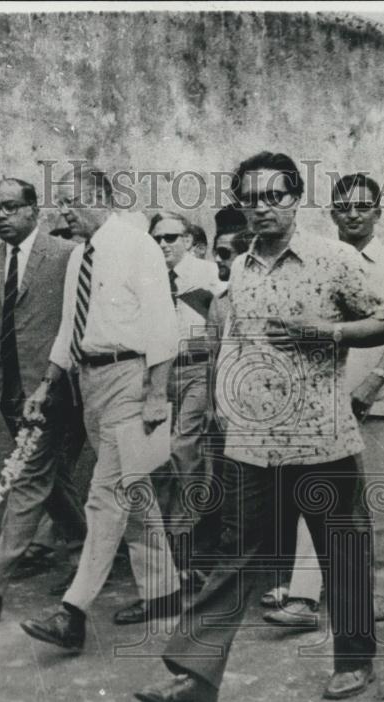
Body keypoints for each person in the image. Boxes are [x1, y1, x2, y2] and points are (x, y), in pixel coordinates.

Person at [134, 151, 384, 702]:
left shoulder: (334, 258)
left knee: (341, 552)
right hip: (253, 442)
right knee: (238, 557)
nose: (263, 208)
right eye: (251, 199)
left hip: (322, 439)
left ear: (295, 198)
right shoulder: (241, 268)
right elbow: (235, 346)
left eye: (275, 196)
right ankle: (196, 677)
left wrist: (326, 331)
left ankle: (354, 660)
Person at [19, 166, 182, 647]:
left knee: (104, 493)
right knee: (133, 491)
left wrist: (157, 392)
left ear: (99, 197)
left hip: (131, 379)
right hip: (89, 383)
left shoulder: (137, 246)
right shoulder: (79, 258)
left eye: (70, 199)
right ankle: (165, 595)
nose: (63, 209)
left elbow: (162, 326)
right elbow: (69, 327)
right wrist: (45, 386)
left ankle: (73, 612)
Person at [263, 174, 384, 627]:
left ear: (378, 212)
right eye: (343, 206)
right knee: (316, 500)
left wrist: (372, 383)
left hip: (378, 401)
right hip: (321, 403)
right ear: (332, 213)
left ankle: (381, 590)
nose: (352, 214)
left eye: (362, 206)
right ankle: (304, 597)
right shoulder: (315, 260)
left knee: (380, 498)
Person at [0, 178, 88, 623]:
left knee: (28, 479)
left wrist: (55, 379)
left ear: (33, 210)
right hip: (6, 392)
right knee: (51, 478)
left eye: (11, 207)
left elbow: (77, 322)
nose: (2, 216)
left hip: (51, 387)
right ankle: (88, 549)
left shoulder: (66, 256)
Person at [146, 210, 224, 602]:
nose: (163, 245)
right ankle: (177, 552)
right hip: (160, 374)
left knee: (185, 453)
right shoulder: (149, 275)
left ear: (190, 240)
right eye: (157, 238)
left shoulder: (207, 275)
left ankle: (193, 546)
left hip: (199, 369)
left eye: (171, 237)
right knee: (161, 459)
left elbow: (223, 326)